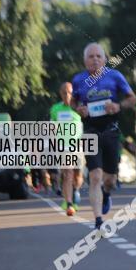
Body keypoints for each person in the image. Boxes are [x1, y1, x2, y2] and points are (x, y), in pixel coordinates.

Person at [71, 43, 136, 229]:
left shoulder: (115, 76)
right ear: (85, 61)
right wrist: (78, 109)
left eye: (98, 56)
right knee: (95, 176)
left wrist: (118, 106)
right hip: (90, 130)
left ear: (105, 59)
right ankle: (98, 219)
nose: (95, 59)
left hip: (111, 130)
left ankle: (107, 193)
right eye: (91, 56)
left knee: (109, 179)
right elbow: (72, 101)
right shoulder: (79, 80)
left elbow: (132, 98)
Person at [50, 82, 84, 216]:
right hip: (63, 146)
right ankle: (69, 203)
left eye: (69, 92)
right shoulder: (55, 109)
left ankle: (75, 190)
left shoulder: (79, 107)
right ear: (60, 94)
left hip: (78, 145)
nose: (67, 95)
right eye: (64, 92)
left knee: (78, 176)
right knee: (68, 173)